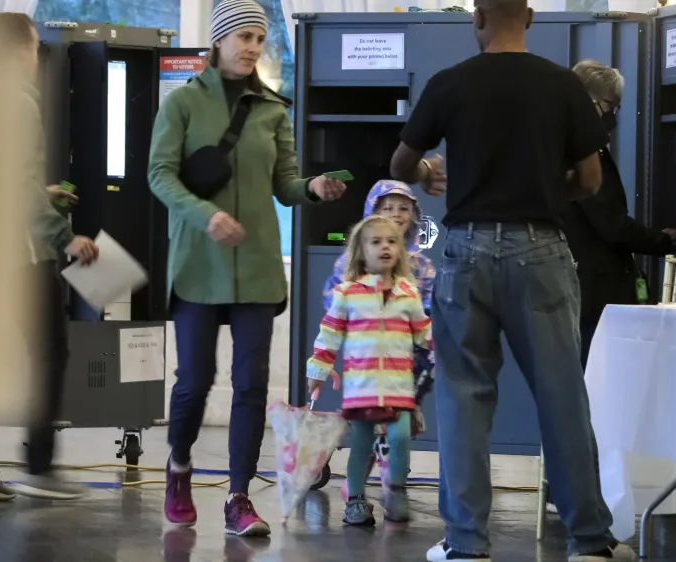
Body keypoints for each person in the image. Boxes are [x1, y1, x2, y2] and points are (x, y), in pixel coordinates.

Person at [389, 0, 634, 559]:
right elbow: (590, 180)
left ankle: (465, 545)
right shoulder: (562, 85)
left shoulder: (450, 83)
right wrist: (544, 189)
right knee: (562, 397)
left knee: (464, 401)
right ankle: (589, 542)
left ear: (477, 18)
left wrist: (426, 172)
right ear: (529, 18)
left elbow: (400, 164)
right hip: (541, 252)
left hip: (465, 252)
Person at [147, 0, 346, 537]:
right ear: (219, 40)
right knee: (194, 382)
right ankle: (179, 467)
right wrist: (206, 216)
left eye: (259, 38)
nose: (253, 47)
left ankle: (239, 498)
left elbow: (285, 184)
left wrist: (313, 188)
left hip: (257, 267)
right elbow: (160, 175)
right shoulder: (183, 104)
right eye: (243, 37)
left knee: (251, 384)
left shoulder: (273, 111)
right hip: (197, 264)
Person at [0, 12, 99, 503]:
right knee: (49, 353)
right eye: (34, 47)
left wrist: (41, 191)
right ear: (16, 50)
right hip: (19, 255)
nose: (36, 57)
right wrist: (64, 236)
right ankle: (39, 466)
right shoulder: (17, 101)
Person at [307, 215, 433, 526]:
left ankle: (395, 489)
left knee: (401, 437)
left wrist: (443, 351)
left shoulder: (408, 293)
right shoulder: (348, 293)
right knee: (362, 446)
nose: (385, 247)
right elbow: (330, 333)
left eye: (391, 242)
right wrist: (318, 370)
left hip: (398, 387)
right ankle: (355, 500)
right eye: (376, 242)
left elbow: (424, 332)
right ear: (362, 252)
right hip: (361, 387)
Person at [562, 60, 676, 367]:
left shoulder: (561, 144)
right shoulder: (583, 153)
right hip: (594, 292)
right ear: (590, 103)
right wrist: (662, 242)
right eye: (610, 106)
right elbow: (611, 224)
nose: (613, 115)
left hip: (578, 286)